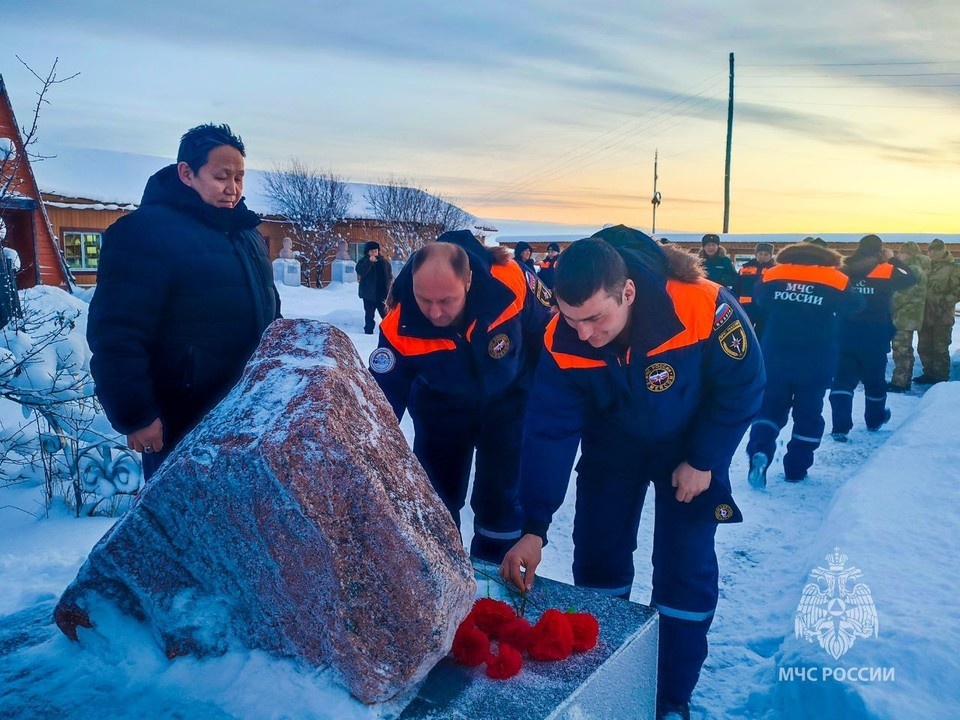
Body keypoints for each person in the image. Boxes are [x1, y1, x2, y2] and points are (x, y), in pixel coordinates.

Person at [499, 226, 764, 720]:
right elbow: (549, 431)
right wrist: (534, 526)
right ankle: (608, 680)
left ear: (628, 292)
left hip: (688, 450)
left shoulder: (702, 305)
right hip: (613, 449)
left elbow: (745, 385)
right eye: (571, 319)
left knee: (684, 571)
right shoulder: (564, 337)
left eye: (596, 319)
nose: (585, 334)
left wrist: (705, 459)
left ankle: (669, 699)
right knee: (597, 560)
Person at [87, 123, 281, 479]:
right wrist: (137, 415)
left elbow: (270, 312)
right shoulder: (144, 234)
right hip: (181, 419)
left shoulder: (246, 235)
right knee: (183, 526)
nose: (232, 188)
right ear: (186, 173)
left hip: (247, 412)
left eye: (239, 177)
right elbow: (117, 333)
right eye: (222, 176)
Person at [369, 230, 551, 563]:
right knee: (436, 501)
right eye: (425, 300)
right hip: (441, 413)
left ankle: (497, 580)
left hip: (508, 405)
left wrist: (536, 396)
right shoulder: (398, 324)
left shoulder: (511, 280)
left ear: (468, 281)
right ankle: (444, 576)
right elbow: (381, 406)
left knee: (501, 499)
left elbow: (546, 332)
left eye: (446, 301)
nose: (435, 313)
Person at [745, 242, 864, 486]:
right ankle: (796, 468)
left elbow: (760, 300)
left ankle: (761, 451)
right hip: (815, 358)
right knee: (808, 414)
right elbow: (855, 306)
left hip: (775, 355)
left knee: (769, 409)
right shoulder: (836, 278)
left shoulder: (773, 274)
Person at [828, 234, 915, 441]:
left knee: (842, 382)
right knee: (875, 382)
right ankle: (874, 420)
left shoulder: (843, 269)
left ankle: (840, 426)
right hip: (875, 335)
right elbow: (911, 278)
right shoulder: (886, 269)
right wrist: (892, 259)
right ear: (879, 250)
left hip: (845, 334)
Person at [915, 239, 960, 386]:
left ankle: (941, 379)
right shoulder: (925, 267)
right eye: (930, 250)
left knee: (940, 347)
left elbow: (957, 290)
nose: (932, 253)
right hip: (925, 314)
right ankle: (929, 373)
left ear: (943, 250)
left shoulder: (953, 268)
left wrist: (945, 301)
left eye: (936, 250)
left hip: (942, 315)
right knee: (924, 346)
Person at [888, 242, 929, 392]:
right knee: (904, 349)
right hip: (907, 316)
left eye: (901, 252)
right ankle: (903, 380)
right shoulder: (915, 269)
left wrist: (889, 306)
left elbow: (903, 294)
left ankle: (900, 382)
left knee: (901, 349)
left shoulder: (913, 270)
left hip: (905, 317)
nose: (899, 255)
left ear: (909, 253)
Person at [736, 242, 777, 337]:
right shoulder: (745, 268)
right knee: (745, 333)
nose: (763, 256)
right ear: (756, 254)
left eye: (766, 254)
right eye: (760, 254)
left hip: (764, 307)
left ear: (770, 256)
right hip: (746, 307)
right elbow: (737, 286)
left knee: (761, 334)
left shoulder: (775, 270)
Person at [356, 240, 393, 335]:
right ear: (367, 252)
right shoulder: (362, 262)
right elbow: (361, 271)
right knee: (369, 316)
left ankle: (388, 333)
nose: (374, 253)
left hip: (382, 295)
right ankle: (368, 333)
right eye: (372, 251)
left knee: (386, 316)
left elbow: (389, 276)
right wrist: (369, 262)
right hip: (369, 295)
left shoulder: (384, 262)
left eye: (376, 251)